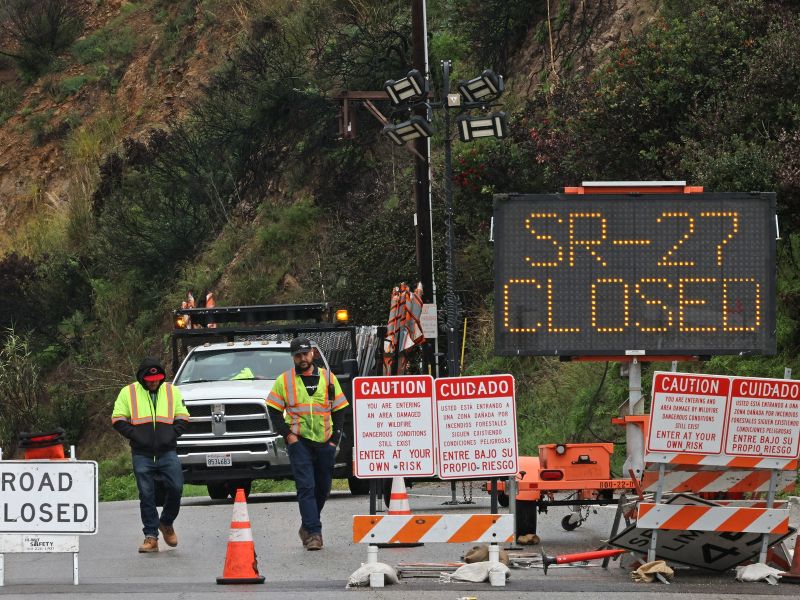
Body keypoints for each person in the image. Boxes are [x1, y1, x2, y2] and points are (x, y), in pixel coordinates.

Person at [266, 337, 348, 551]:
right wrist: (288, 436)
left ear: (313, 354)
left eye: (305, 354)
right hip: (299, 441)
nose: (303, 358)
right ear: (293, 357)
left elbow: (339, 409)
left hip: (325, 443)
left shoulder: (328, 378)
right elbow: (273, 410)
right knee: (306, 487)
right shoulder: (285, 381)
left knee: (323, 488)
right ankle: (314, 533)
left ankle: (307, 525)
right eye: (298, 355)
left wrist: (334, 441)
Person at [111, 358, 190, 553]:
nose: (154, 382)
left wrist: (170, 435)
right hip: (142, 453)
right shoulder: (128, 392)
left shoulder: (172, 391)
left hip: (167, 451)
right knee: (146, 495)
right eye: (150, 379)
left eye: (157, 379)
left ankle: (166, 522)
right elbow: (118, 419)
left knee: (176, 488)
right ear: (142, 378)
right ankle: (151, 537)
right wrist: (137, 436)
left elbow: (183, 416)